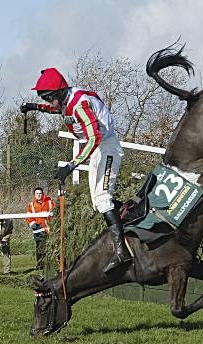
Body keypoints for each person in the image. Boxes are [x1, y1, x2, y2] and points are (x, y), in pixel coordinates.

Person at [20, 68, 132, 272]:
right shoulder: (64, 101)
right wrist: (33, 107)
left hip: (107, 147)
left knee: (103, 199)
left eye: (48, 97)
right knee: (98, 202)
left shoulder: (80, 105)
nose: (47, 100)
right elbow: (55, 109)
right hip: (99, 148)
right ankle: (131, 216)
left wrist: (71, 165)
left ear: (60, 92)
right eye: (43, 97)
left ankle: (121, 252)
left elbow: (93, 138)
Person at [25, 187, 55, 270]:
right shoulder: (31, 205)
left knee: (50, 248)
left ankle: (50, 265)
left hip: (49, 229)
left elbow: (56, 214)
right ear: (34, 195)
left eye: (40, 193)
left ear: (42, 194)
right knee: (39, 248)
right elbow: (28, 217)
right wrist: (32, 223)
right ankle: (40, 266)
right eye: (37, 193)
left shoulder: (49, 202)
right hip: (38, 230)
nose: (38, 195)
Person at [0, 207, 13, 274]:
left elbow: (10, 231)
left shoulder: (8, 220)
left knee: (6, 252)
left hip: (4, 236)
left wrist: (5, 238)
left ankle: (7, 271)